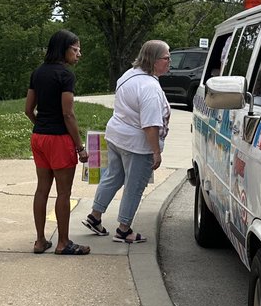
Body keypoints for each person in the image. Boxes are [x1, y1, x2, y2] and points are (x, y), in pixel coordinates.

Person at [82, 39, 172, 244]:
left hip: (116, 136)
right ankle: (124, 230)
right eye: (167, 58)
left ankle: (95, 217)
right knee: (135, 185)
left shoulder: (129, 75)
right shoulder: (149, 87)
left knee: (113, 176)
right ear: (154, 59)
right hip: (136, 145)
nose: (170, 62)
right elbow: (150, 125)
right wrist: (156, 152)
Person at [24, 29, 90, 256]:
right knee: (64, 192)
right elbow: (68, 114)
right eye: (75, 49)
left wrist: (41, 123)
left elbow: (28, 109)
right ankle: (63, 243)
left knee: (42, 189)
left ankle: (40, 241)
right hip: (59, 139)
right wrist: (80, 147)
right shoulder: (66, 75)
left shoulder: (38, 72)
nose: (79, 54)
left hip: (39, 137)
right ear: (64, 49)